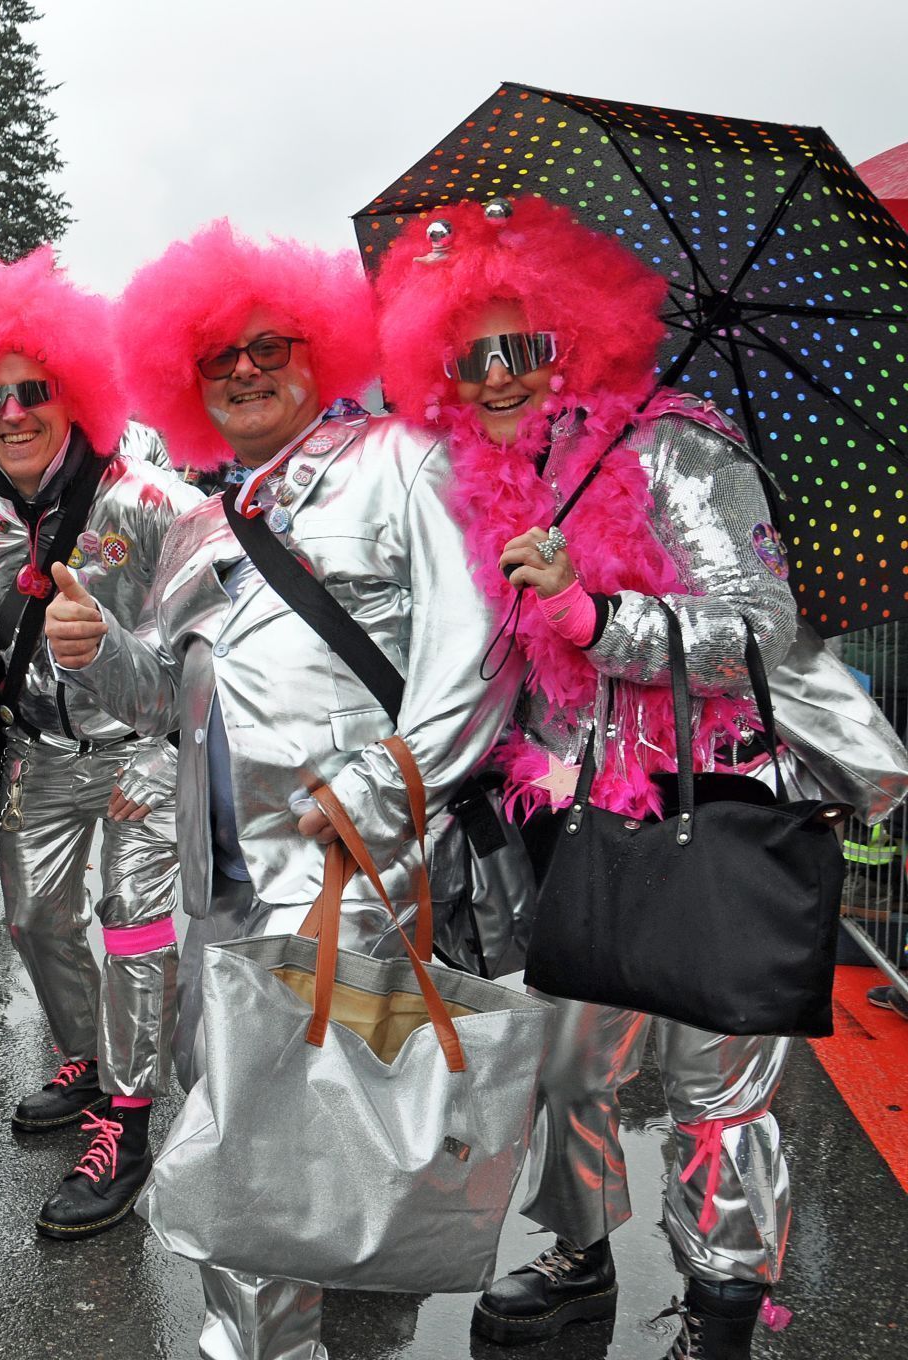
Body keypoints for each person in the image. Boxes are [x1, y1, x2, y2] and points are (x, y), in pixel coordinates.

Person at [373, 194, 908, 1360]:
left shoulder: (675, 446)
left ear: (573, 337)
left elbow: (760, 628)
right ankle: (579, 1259)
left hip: (719, 811)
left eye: (520, 348)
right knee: (566, 1061)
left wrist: (597, 613)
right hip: (582, 820)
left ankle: (718, 1311)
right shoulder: (496, 477)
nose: (497, 378)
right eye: (469, 362)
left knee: (718, 1091)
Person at [47, 219, 514, 1360]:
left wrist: (377, 790)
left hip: (355, 873)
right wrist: (91, 648)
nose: (244, 369)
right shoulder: (206, 521)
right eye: (218, 356)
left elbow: (479, 649)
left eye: (269, 346)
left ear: (323, 350)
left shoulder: (400, 461)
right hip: (222, 885)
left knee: (320, 1153)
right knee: (265, 1154)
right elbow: (164, 700)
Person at [0, 248, 202, 1238]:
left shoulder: (152, 503)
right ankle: (89, 1057)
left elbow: (205, 655)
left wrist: (168, 753)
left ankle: (125, 1121)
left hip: (138, 753)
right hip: (34, 754)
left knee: (132, 930)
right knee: (36, 923)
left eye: (31, 389)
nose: (10, 412)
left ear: (71, 389)